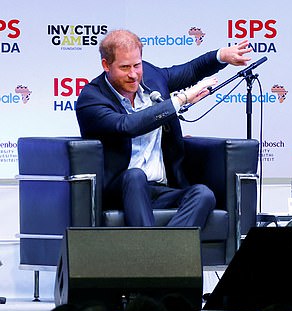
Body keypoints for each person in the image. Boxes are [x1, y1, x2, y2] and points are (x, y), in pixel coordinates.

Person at [76, 29, 252, 227]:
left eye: (137, 65)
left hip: (159, 189)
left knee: (203, 194)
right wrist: (180, 100)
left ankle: (163, 253)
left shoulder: (152, 77)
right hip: (119, 190)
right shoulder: (91, 98)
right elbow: (127, 126)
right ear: (106, 65)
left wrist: (221, 56)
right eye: (125, 67)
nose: (133, 74)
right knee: (135, 176)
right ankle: (156, 254)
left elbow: (190, 71)